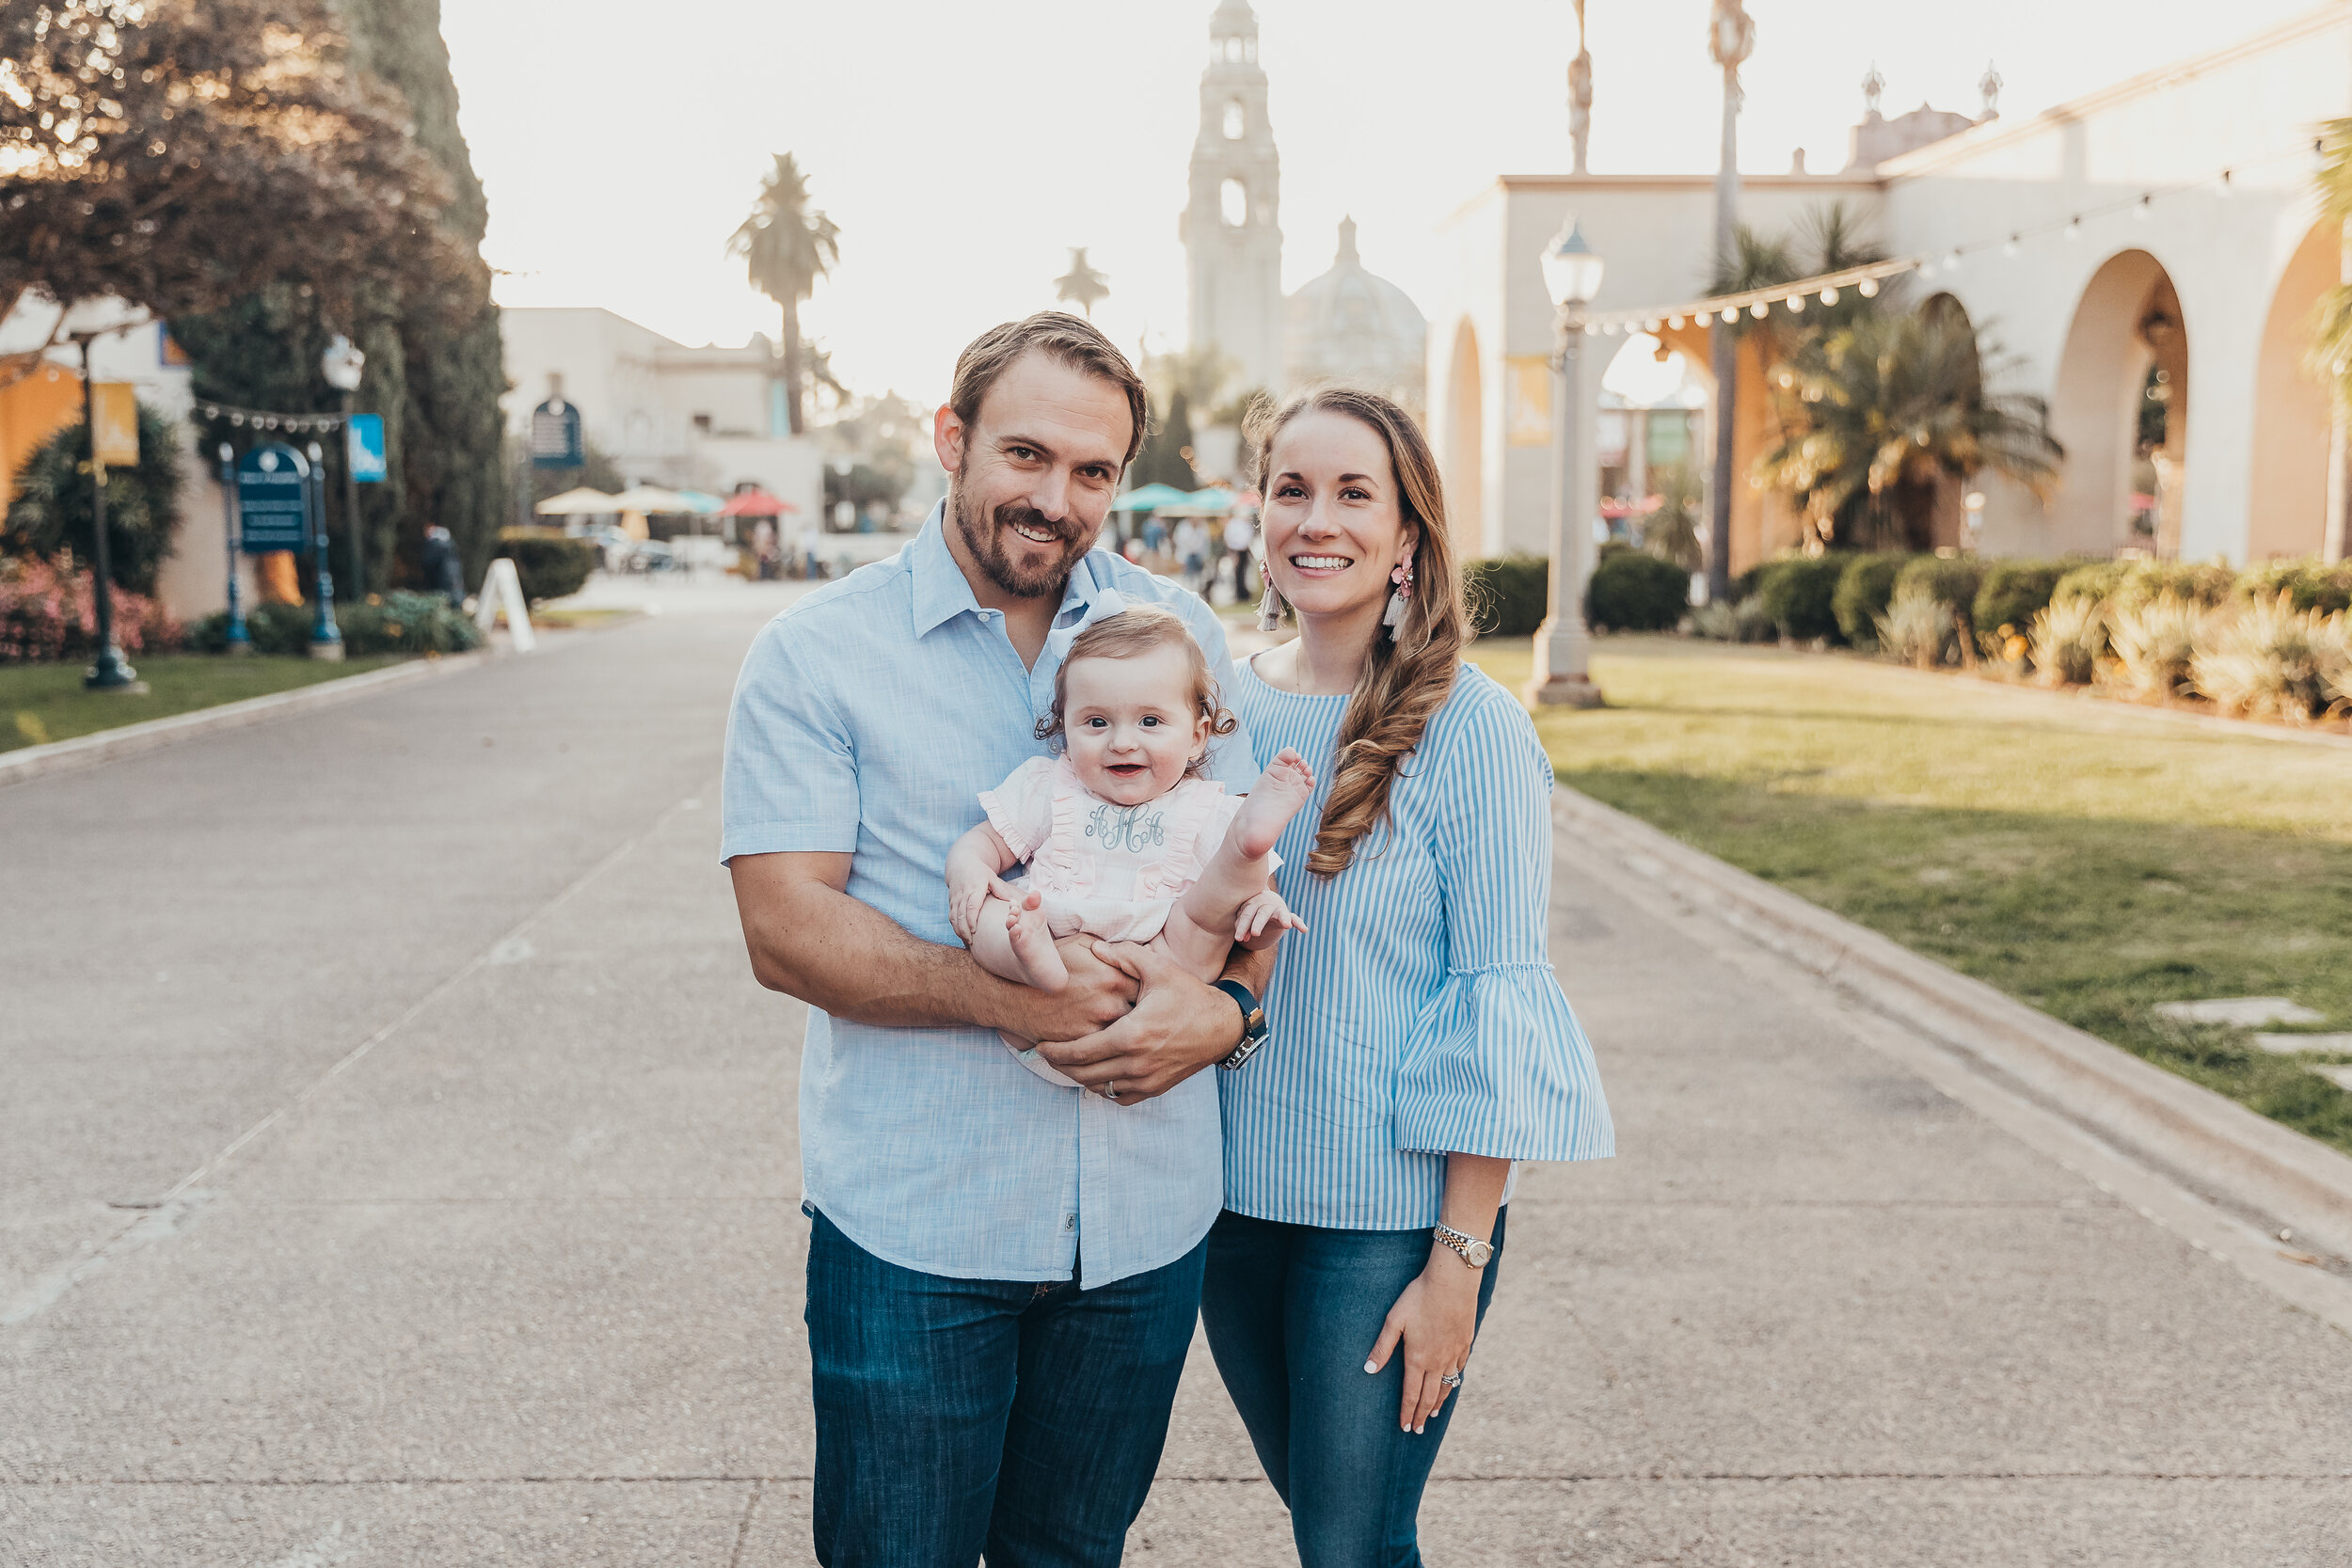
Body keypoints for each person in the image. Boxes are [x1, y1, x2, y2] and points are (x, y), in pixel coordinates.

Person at [722, 312, 1279, 1568]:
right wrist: (1003, 996)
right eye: (1026, 455)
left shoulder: (1176, 632)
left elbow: (1240, 869)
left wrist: (1234, 1009)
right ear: (952, 439)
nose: (1057, 497)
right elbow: (784, 928)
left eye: (1093, 471)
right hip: (920, 1233)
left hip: (1141, 1229)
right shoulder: (815, 657)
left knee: (1074, 1555)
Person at [1202, 387, 1614, 1565]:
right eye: (1291, 488)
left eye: (1351, 492)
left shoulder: (1470, 726)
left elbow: (1496, 995)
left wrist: (1458, 1258)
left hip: (1384, 1221)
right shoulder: (1218, 705)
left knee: (1350, 1543)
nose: (1315, 519)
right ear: (1260, 513)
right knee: (1339, 1533)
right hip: (1228, 1206)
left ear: (1407, 537)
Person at [946, 606, 1311, 1084]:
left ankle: (1248, 846)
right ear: (1063, 730)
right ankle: (1032, 959)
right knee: (992, 915)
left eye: (1150, 722)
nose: (1121, 742)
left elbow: (1240, 922)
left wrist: (1262, 915)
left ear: (1198, 737)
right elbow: (984, 843)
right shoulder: (1051, 786)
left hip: (1158, 966)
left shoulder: (1200, 808)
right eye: (1096, 723)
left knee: (1207, 919)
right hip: (1046, 954)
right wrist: (970, 871)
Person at [419, 523, 463, 608]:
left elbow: (428, 564)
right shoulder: (451, 544)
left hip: (440, 581)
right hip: (454, 581)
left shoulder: (434, 545)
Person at [1173, 515, 1211, 595]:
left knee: (1198, 575)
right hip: (1187, 554)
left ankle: (1196, 592)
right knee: (1188, 575)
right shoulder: (1183, 527)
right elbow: (1180, 541)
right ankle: (1188, 592)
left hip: (1198, 554)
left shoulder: (1202, 527)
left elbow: (1205, 543)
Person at [1224, 509, 1256, 603]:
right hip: (1236, 550)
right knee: (1237, 573)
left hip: (1244, 550)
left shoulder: (1244, 525)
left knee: (1243, 572)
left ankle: (1243, 593)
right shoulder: (1233, 524)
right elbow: (1229, 538)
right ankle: (1239, 593)